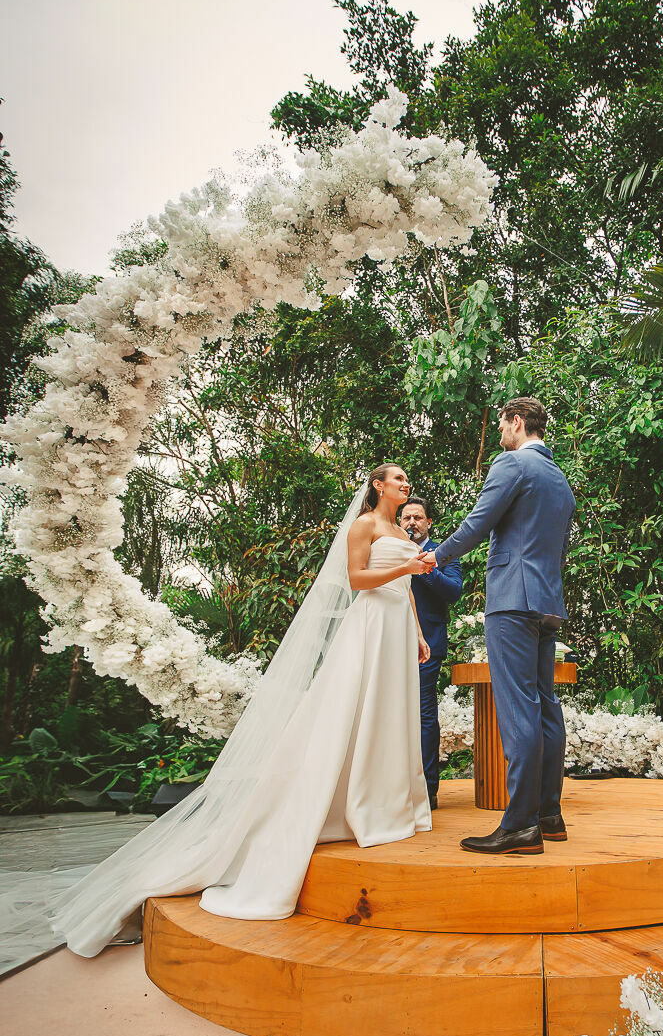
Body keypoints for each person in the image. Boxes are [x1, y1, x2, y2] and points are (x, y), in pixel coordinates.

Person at [50, 464, 435, 956]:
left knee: (390, 716)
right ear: (378, 486)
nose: (406, 484)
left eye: (408, 479)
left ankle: (389, 800)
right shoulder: (363, 525)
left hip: (398, 626)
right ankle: (350, 801)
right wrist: (408, 567)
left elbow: (405, 591)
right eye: (398, 479)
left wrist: (419, 632)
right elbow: (359, 580)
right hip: (370, 627)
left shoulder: (401, 529)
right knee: (354, 713)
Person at [425, 398, 575, 855]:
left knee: (517, 709)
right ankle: (549, 814)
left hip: (512, 599)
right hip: (547, 601)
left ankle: (519, 826)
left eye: (503, 427)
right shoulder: (560, 480)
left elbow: (478, 523)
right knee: (545, 704)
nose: (500, 437)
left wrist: (437, 555)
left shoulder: (513, 464)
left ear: (516, 422)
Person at [400, 496, 463, 810]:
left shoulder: (444, 551)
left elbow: (454, 591)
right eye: (406, 517)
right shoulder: (390, 548)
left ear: (428, 523)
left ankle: (428, 789)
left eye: (418, 517)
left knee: (424, 716)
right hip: (390, 641)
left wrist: (426, 567)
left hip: (428, 645)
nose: (412, 522)